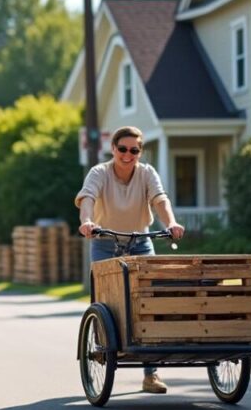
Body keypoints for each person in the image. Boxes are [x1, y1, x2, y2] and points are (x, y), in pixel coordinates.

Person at [75, 125, 185, 394]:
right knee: (106, 302)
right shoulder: (99, 173)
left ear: (140, 152)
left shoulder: (146, 173)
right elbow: (88, 197)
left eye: (134, 150)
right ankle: (104, 344)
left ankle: (151, 375)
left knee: (150, 301)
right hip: (104, 242)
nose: (128, 154)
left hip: (140, 242)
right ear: (113, 149)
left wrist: (170, 222)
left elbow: (160, 199)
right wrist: (87, 221)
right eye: (122, 149)